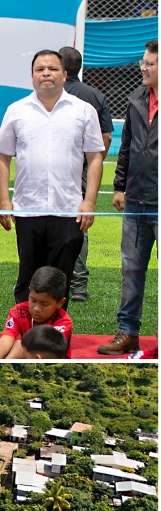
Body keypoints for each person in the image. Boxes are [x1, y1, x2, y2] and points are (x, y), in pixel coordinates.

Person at [0, 50, 104, 306]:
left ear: (64, 75)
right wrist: (3, 200)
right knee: (28, 278)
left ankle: (55, 341)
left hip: (68, 210)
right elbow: (2, 156)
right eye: (40, 69)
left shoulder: (84, 111)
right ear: (31, 76)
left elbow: (95, 158)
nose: (46, 73)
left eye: (53, 69)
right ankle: (25, 339)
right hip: (27, 209)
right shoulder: (16, 110)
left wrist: (89, 202)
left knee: (59, 281)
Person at [98, 40, 158, 356]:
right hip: (136, 201)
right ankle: (127, 333)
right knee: (131, 270)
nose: (143, 67)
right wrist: (119, 186)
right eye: (143, 62)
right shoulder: (135, 100)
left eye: (150, 63)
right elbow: (126, 148)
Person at [58, 46, 114, 303]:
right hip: (83, 167)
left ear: (62, 67)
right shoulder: (96, 95)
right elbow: (105, 138)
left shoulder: (48, 92)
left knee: (41, 218)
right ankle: (78, 286)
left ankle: (42, 280)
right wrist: (94, 165)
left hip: (54, 166)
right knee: (81, 222)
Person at [0, 266, 72, 360]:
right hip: (28, 355)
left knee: (20, 346)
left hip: (50, 361)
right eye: (33, 300)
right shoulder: (19, 311)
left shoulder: (63, 321)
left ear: (60, 303)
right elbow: (6, 339)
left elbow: (47, 349)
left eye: (44, 304)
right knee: (17, 346)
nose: (36, 309)